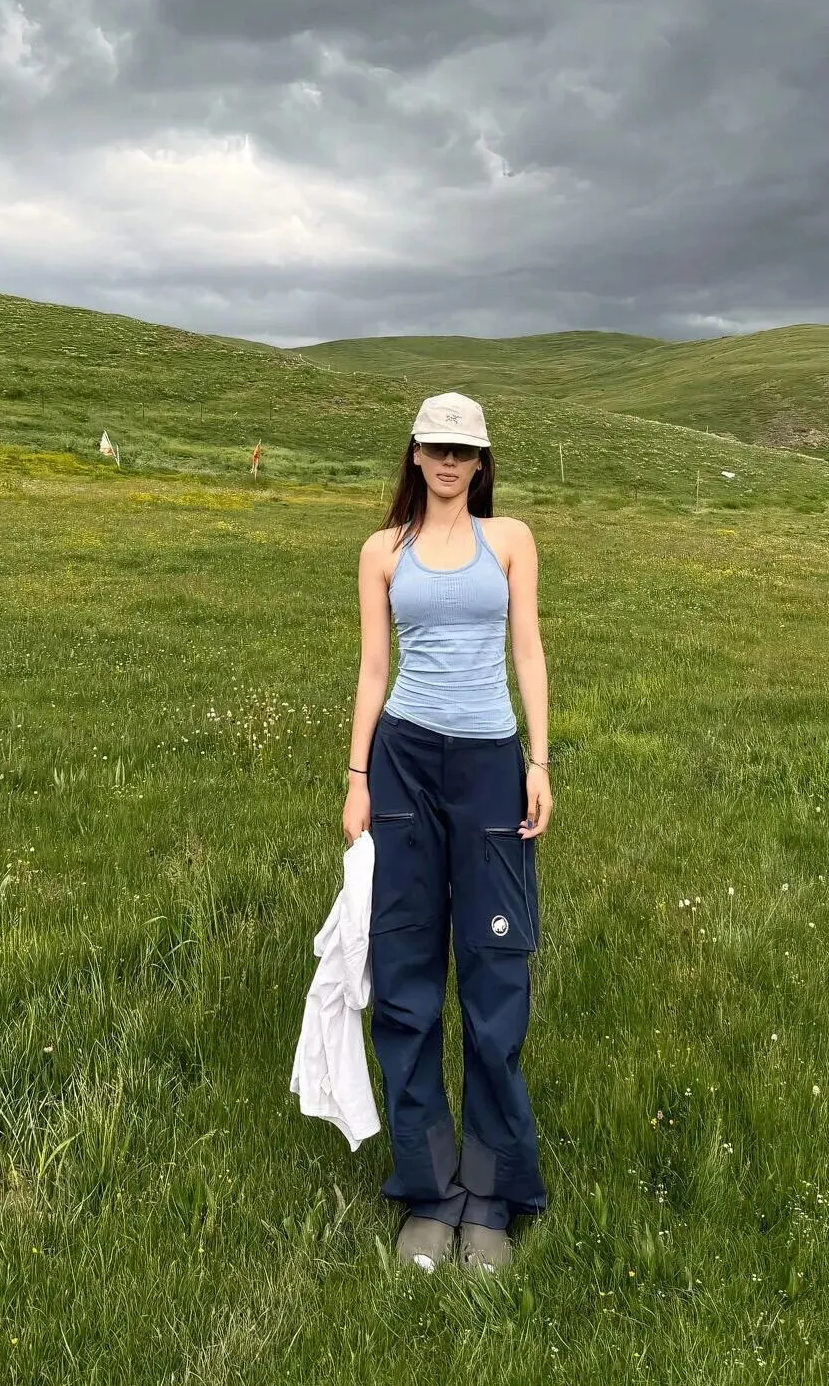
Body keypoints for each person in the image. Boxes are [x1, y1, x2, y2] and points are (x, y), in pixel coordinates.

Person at [342, 390, 553, 1274]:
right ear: (415, 455)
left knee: (496, 977)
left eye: (462, 452)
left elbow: (528, 649)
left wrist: (539, 760)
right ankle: (430, 1192)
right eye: (435, 448)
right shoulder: (381, 551)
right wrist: (357, 777)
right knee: (406, 978)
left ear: (481, 461)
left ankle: (492, 1196)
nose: (448, 463)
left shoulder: (510, 541)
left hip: (491, 766)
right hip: (404, 766)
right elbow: (374, 666)